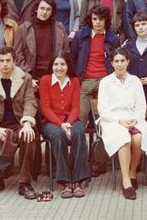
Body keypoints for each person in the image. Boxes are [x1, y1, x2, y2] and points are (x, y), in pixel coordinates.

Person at [0, 47, 38, 199]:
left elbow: (31, 102)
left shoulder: (25, 78)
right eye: (1, 61)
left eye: (8, 60)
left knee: (29, 138)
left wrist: (27, 124)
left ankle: (24, 182)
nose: (5, 64)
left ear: (14, 61)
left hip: (19, 122)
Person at [97, 47, 147, 200]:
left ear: (128, 62)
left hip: (133, 118)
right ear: (111, 63)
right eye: (116, 61)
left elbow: (141, 105)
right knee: (124, 138)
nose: (120, 64)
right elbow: (102, 109)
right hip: (113, 120)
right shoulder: (105, 82)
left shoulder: (135, 81)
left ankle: (132, 172)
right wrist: (119, 120)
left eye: (122, 61)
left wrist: (135, 119)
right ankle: (126, 180)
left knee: (137, 138)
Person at [71, 4, 120, 176]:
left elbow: (117, 61)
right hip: (85, 82)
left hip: (105, 83)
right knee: (79, 121)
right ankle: (79, 162)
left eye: (101, 19)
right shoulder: (81, 36)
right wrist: (77, 78)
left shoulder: (113, 38)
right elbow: (73, 57)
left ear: (106, 20)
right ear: (90, 20)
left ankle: (99, 164)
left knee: (104, 124)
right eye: (94, 19)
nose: (97, 23)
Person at [39, 51, 90, 198]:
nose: (59, 68)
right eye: (56, 64)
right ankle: (65, 181)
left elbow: (75, 107)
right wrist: (61, 124)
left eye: (62, 64)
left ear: (68, 66)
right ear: (51, 65)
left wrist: (68, 123)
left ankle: (78, 180)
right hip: (51, 122)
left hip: (71, 119)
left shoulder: (74, 81)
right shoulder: (45, 80)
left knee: (79, 133)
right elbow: (46, 109)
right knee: (58, 135)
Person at [14, 0, 69, 90]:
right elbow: (18, 55)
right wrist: (29, 76)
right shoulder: (23, 29)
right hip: (31, 77)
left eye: (48, 9)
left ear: (52, 11)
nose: (44, 12)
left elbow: (66, 52)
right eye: (42, 8)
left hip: (55, 75)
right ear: (36, 9)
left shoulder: (59, 28)